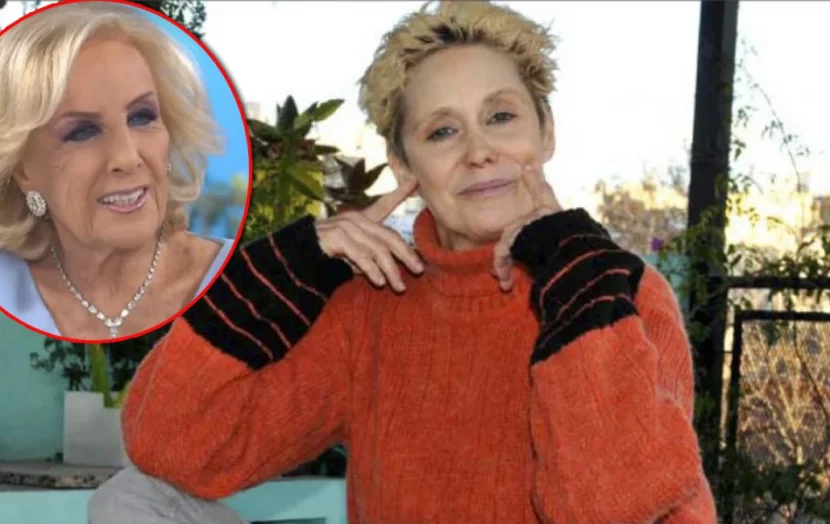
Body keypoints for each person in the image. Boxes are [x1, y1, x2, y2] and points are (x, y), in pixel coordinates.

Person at [90, 1, 718, 522]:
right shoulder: (377, 302)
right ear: (403, 164)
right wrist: (291, 264)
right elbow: (171, 444)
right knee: (132, 500)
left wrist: (571, 268)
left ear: (545, 131)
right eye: (442, 131)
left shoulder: (619, 289)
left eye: (501, 116)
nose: (479, 152)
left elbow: (609, 506)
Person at [0, 1, 234, 340]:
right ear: (23, 171)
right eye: (82, 132)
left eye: (141, 117)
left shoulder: (249, 277)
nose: (127, 157)